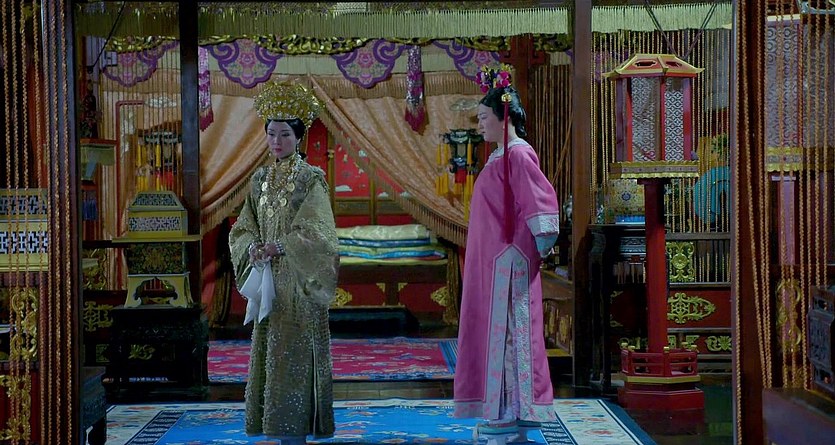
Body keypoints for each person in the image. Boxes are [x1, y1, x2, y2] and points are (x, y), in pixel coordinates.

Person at [453, 65, 559, 445]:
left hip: (507, 265)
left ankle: (507, 415)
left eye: (484, 117)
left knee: (508, 339)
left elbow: (542, 207)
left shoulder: (518, 156)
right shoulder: (502, 155)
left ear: (504, 118)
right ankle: (502, 412)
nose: (480, 124)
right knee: (494, 338)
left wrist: (527, 250)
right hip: (493, 261)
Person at [229, 81, 339, 444]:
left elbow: (320, 233)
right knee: (270, 350)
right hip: (268, 281)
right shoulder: (258, 179)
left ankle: (296, 431)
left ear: (299, 137)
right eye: (271, 134)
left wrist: (281, 246)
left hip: (300, 282)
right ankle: (274, 427)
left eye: (285, 135)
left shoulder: (311, 179)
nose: (277, 142)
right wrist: (252, 248)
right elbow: (243, 227)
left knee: (295, 352)